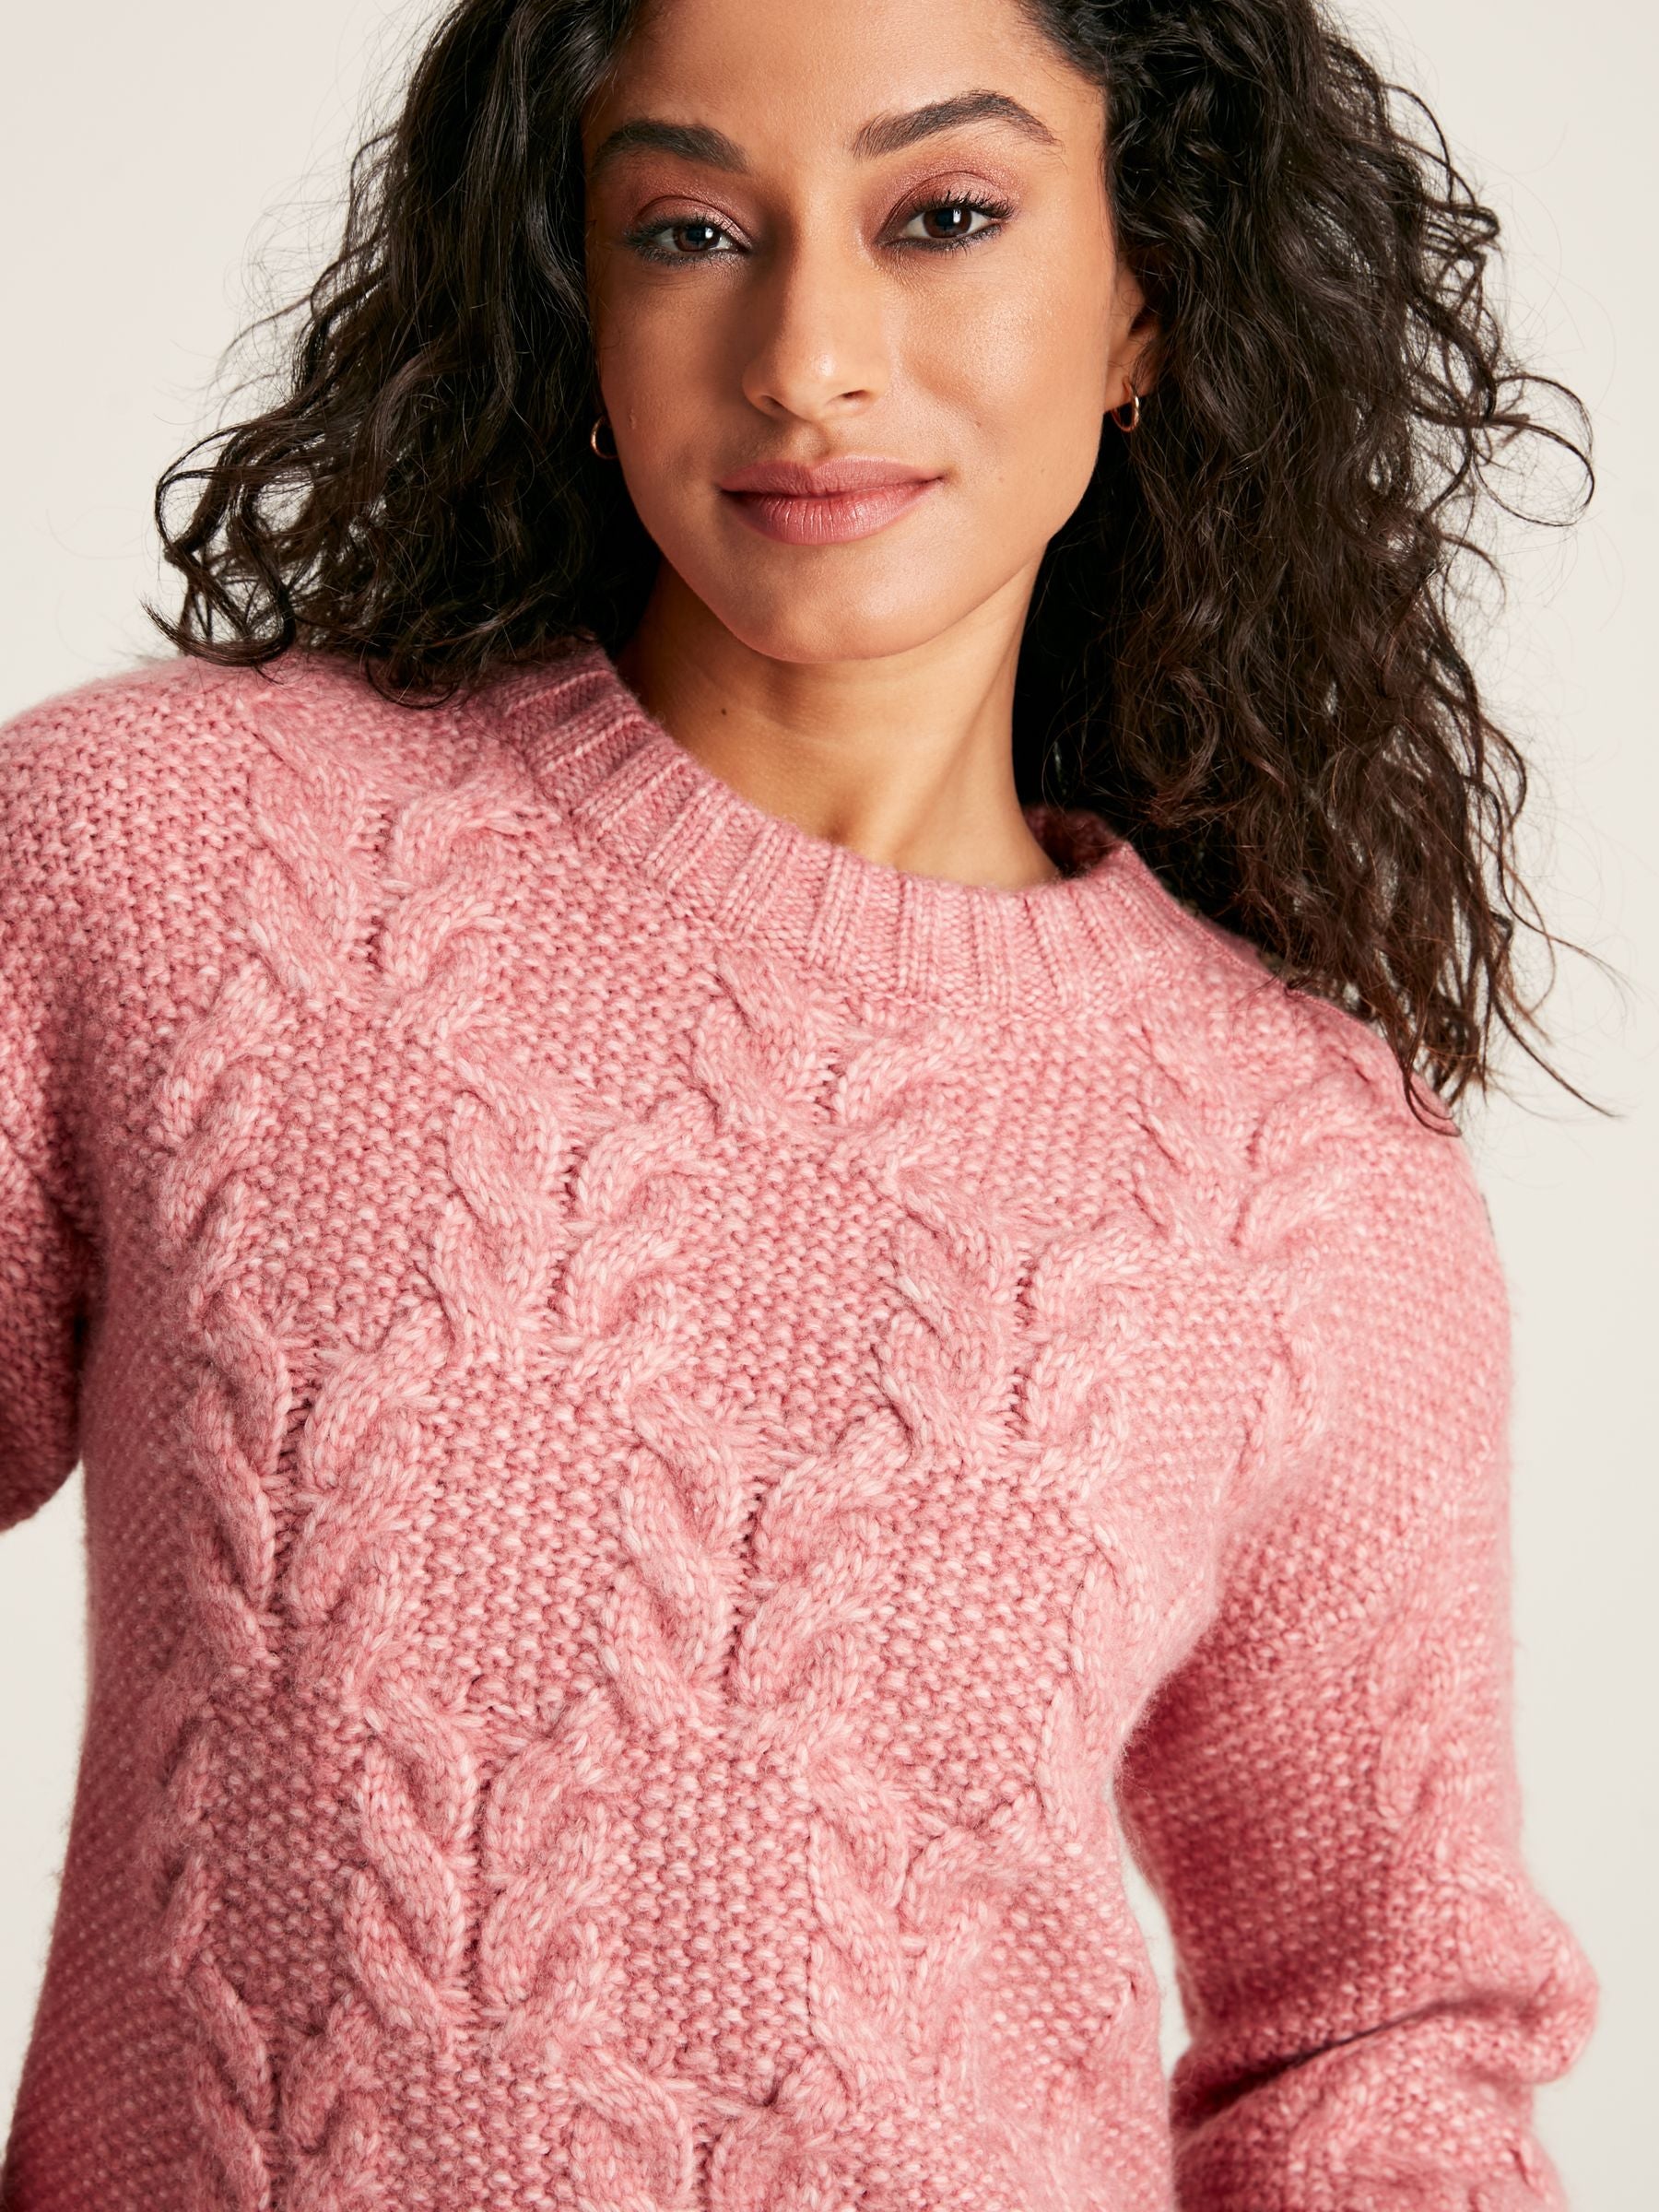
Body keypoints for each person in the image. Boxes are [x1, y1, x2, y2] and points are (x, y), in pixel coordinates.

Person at [0, 0, 1605, 2206]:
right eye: (688, 229)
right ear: (574, 299)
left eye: (942, 215)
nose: (809, 359)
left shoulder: (1311, 1176)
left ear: (1151, 290)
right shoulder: (168, 859)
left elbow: (1381, 2046)